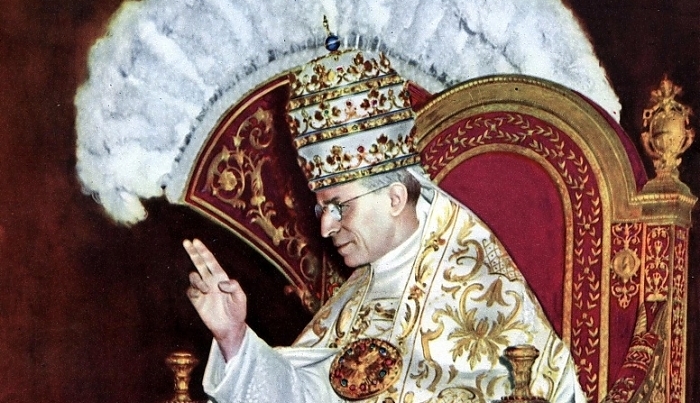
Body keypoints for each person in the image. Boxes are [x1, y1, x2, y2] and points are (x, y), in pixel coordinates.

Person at [184, 49, 586, 403]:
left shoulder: (482, 289)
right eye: (321, 210)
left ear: (394, 199)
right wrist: (234, 338)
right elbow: (304, 395)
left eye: (339, 207)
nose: (325, 228)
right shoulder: (356, 297)